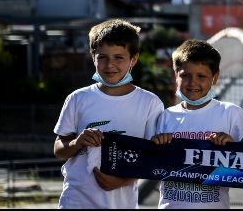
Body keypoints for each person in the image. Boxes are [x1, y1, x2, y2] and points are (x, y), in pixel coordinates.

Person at [53, 19, 165, 209]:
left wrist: (122, 181)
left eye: (118, 57)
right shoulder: (78, 98)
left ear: (134, 59)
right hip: (75, 202)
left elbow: (154, 159)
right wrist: (77, 142)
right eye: (102, 57)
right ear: (93, 57)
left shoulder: (150, 103)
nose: (109, 64)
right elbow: (58, 148)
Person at [151, 39, 243, 209]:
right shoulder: (166, 116)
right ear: (176, 75)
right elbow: (154, 165)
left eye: (201, 76)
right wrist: (158, 145)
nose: (192, 82)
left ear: (215, 77)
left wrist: (231, 147)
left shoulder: (231, 113)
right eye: (185, 75)